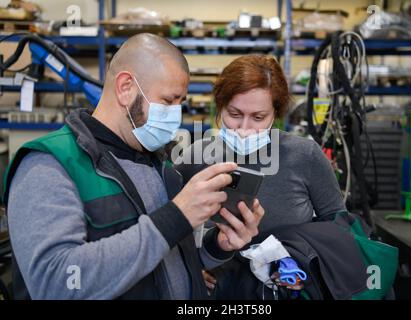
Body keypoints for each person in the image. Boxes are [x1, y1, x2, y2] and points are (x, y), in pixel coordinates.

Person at [3, 34, 264, 300]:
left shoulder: (160, 165)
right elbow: (56, 283)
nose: (175, 115)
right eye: (168, 101)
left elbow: (169, 261)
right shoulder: (48, 166)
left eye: (180, 103)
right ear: (126, 87)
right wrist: (176, 217)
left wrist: (218, 246)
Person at [174, 54, 347, 298]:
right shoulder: (196, 157)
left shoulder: (305, 156)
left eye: (258, 117)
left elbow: (339, 230)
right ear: (220, 106)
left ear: (275, 115)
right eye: (234, 114)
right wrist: (190, 269)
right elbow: (170, 231)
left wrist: (307, 268)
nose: (244, 129)